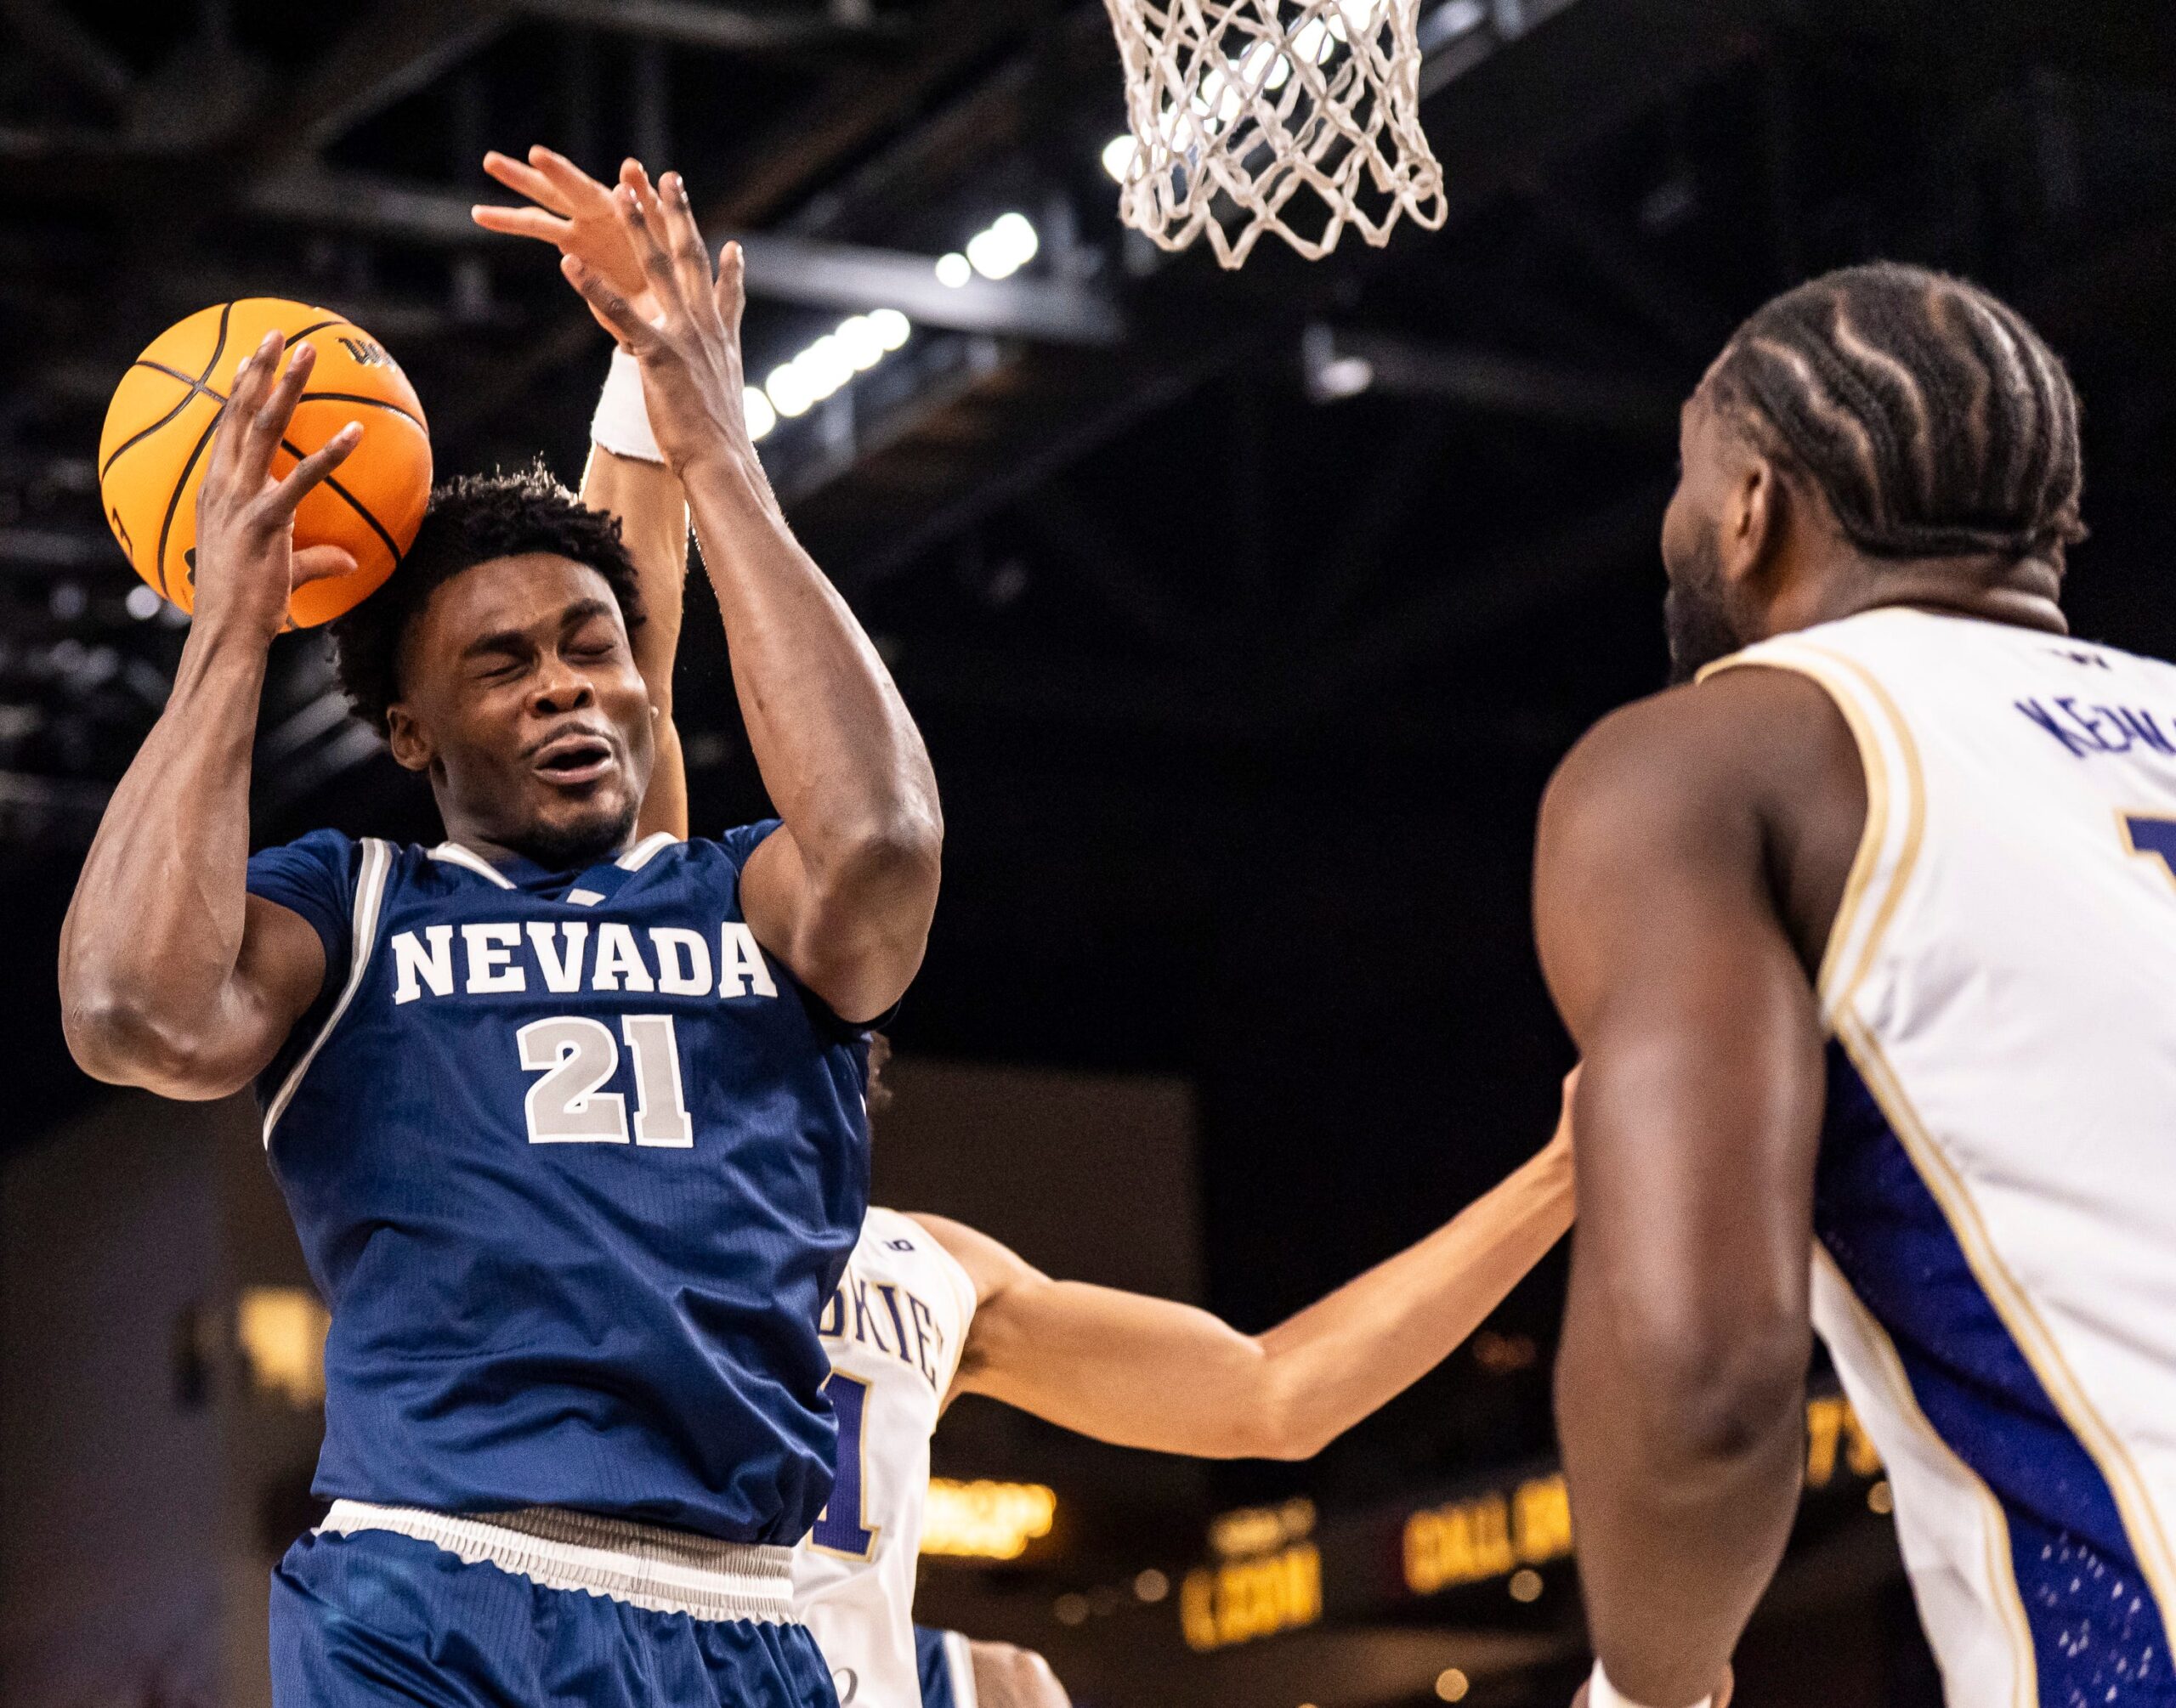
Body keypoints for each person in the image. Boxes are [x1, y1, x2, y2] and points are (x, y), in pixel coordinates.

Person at [477, 148, 1577, 1708]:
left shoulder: (801, 1236)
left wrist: (640, 387)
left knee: (1005, 1682)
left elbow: (633, 703)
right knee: (998, 1681)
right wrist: (1558, 1178)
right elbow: (1279, 1393)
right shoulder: (923, 1275)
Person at [58, 164, 941, 1707]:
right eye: (503, 662)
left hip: (737, 1608)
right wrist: (229, 632)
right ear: (410, 729)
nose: (563, 684)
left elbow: (884, 844)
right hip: (426, 1589)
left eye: (594, 646)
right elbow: (132, 1008)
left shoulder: (744, 896)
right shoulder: (356, 906)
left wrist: (709, 435)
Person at [1533, 261, 2176, 1708]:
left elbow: (1698, 1385)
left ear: (1751, 508)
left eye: (1692, 481)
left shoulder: (1717, 761)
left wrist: (1646, 1690)